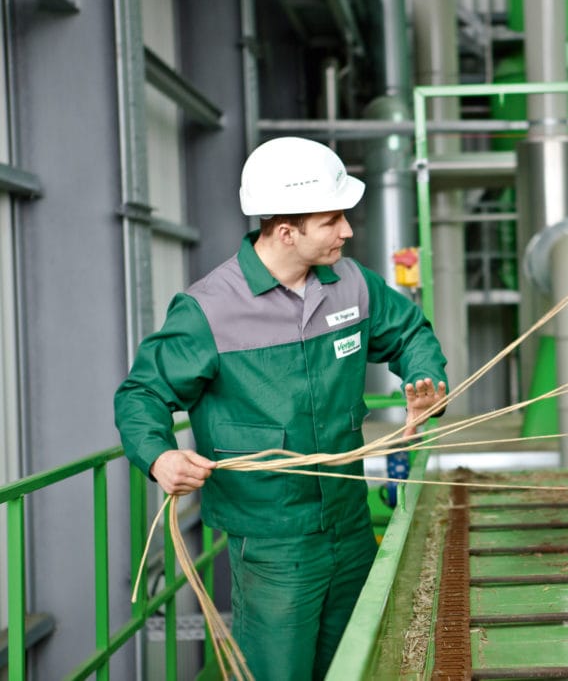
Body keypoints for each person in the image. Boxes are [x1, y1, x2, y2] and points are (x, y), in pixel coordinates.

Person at [114, 136, 448, 680]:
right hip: (272, 543)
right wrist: (160, 457)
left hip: (349, 523)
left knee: (359, 664)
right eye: (333, 219)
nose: (347, 230)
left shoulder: (352, 286)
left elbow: (410, 332)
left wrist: (425, 383)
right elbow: (142, 394)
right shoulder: (208, 311)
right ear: (286, 231)